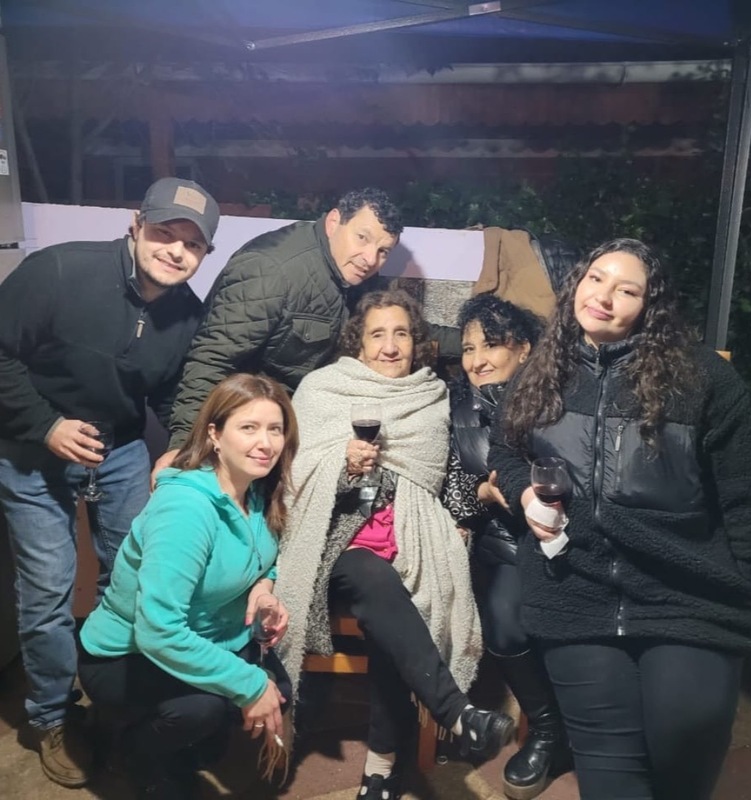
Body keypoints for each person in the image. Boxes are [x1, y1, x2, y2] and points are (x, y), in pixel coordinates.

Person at [488, 238, 751, 800]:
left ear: (650, 306)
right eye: (595, 279)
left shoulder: (702, 380)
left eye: (626, 290)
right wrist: (525, 495)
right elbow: (506, 451)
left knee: (683, 744)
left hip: (689, 595)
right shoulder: (542, 369)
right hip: (574, 592)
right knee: (610, 778)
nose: (603, 297)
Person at [0, 176, 219, 788]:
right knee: (48, 589)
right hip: (30, 446)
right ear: (135, 223)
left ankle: (118, 701)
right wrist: (46, 425)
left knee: (133, 577)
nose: (176, 251)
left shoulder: (187, 313)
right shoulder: (58, 271)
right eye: (165, 232)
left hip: (117, 448)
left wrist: (181, 445)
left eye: (192, 244)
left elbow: (175, 392)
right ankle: (52, 717)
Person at [275, 289, 514, 800]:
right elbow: (292, 476)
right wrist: (341, 466)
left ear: (416, 341)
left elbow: (444, 478)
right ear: (358, 344)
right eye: (377, 334)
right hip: (335, 545)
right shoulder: (322, 389)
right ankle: (455, 714)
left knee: (394, 606)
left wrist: (460, 517)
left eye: (401, 333)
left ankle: (381, 767)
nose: (390, 346)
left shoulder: (432, 396)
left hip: (414, 540)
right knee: (373, 575)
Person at [77, 373, 296, 799]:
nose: (266, 443)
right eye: (248, 427)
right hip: (129, 653)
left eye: (275, 429)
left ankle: (178, 742)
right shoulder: (185, 509)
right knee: (206, 708)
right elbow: (158, 631)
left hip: (207, 636)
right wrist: (248, 684)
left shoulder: (256, 491)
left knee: (277, 692)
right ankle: (128, 750)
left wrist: (263, 590)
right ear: (214, 434)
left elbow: (262, 560)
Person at [160, 187, 462, 468]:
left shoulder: (354, 274)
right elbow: (211, 361)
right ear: (333, 222)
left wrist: (477, 342)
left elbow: (404, 327)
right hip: (242, 425)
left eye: (383, 251)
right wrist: (184, 447)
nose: (370, 258)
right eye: (362, 238)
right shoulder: (271, 270)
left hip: (297, 424)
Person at [442, 293, 568, 800]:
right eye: (468, 349)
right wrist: (482, 493)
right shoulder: (455, 405)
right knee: (505, 619)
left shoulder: (559, 397)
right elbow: (450, 488)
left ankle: (590, 725)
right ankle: (547, 729)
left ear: (524, 348)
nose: (477, 360)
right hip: (500, 539)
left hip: (570, 535)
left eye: (491, 345)